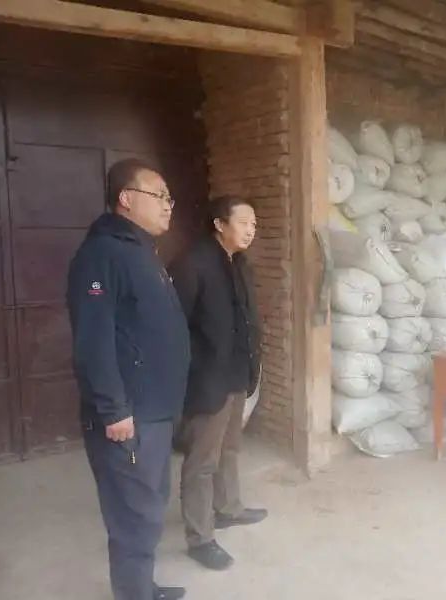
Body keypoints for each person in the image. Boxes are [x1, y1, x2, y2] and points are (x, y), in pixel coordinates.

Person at [67, 159, 190, 600]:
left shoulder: (140, 251)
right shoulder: (102, 254)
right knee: (133, 518)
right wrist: (113, 409)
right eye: (159, 196)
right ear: (126, 198)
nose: (168, 205)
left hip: (154, 412)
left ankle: (142, 589)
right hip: (129, 416)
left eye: (170, 198)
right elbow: (93, 339)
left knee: (148, 510)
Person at [170, 195, 267, 571]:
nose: (251, 230)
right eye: (243, 222)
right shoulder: (192, 264)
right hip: (207, 378)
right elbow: (174, 327)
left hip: (236, 372)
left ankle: (228, 508)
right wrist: (190, 373)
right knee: (202, 460)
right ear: (219, 224)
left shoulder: (238, 263)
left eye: (254, 224)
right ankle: (200, 537)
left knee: (230, 447)